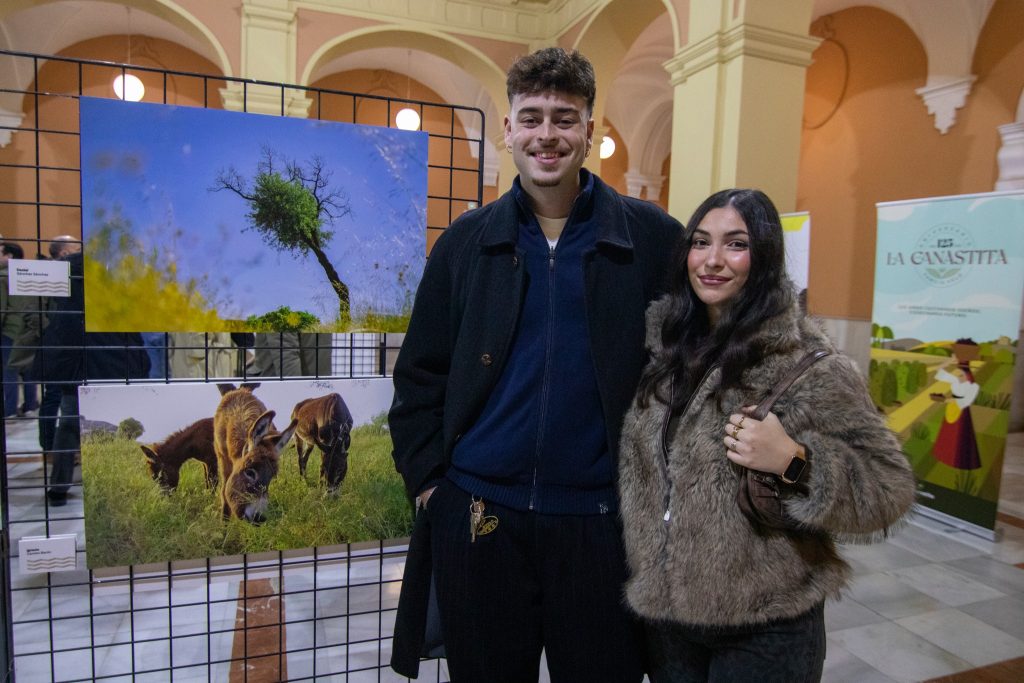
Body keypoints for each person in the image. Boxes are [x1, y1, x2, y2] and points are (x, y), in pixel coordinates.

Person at [388, 47, 682, 682]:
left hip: (602, 527)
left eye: (564, 118)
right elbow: (419, 374)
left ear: (589, 131)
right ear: (509, 130)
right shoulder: (466, 243)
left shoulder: (651, 239)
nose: (547, 134)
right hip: (481, 519)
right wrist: (432, 485)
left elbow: (691, 365)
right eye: (532, 118)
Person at [617, 188, 917, 682]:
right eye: (700, 242)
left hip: (765, 624)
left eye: (736, 244)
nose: (712, 260)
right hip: (668, 620)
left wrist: (795, 461)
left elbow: (889, 489)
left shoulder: (808, 363)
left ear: (766, 258)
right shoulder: (664, 353)